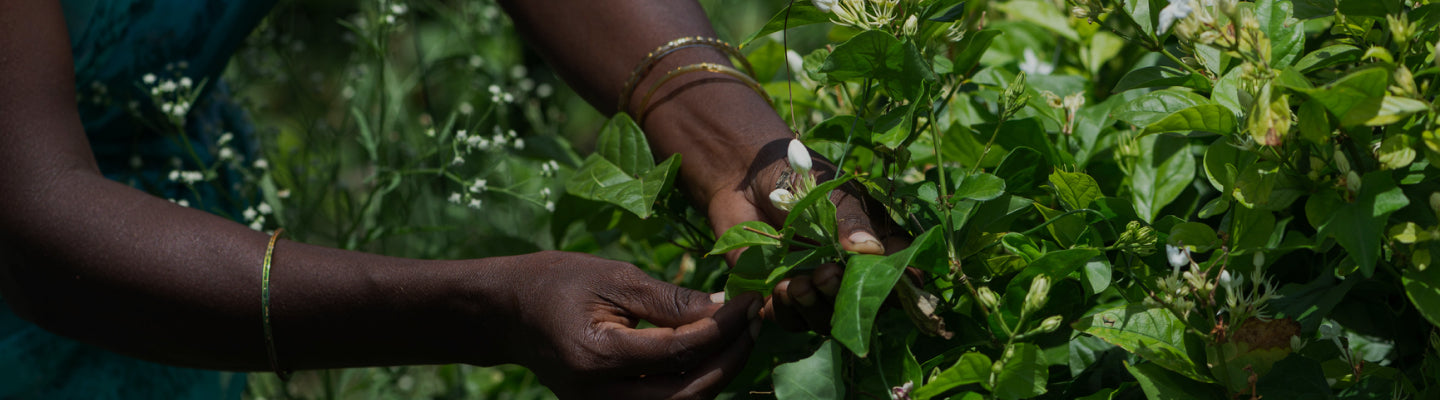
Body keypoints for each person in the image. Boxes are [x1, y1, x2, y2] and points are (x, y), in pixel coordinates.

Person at [0, 0, 905, 398]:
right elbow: (31, 219)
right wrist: (486, 308)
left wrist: (738, 150)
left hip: (175, 226)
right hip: (74, 254)